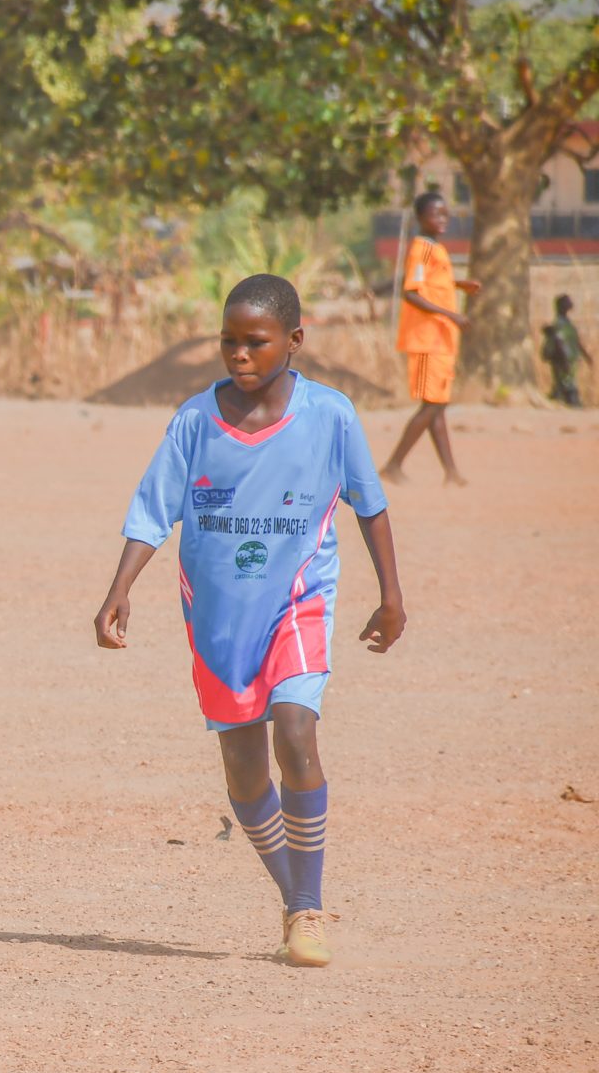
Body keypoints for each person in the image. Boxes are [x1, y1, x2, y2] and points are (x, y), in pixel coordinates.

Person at [93, 274, 406, 968]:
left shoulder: (331, 416)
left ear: (294, 341)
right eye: (229, 341)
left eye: (255, 342)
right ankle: (296, 895)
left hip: (298, 601)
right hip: (218, 618)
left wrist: (392, 593)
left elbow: (369, 502)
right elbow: (153, 511)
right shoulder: (194, 421)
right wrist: (120, 587)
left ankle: (307, 907)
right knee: (243, 772)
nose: (239, 354)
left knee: (295, 731)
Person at [382, 191, 480, 485]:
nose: (442, 220)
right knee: (433, 404)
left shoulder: (434, 247)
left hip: (440, 339)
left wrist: (457, 285)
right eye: (435, 214)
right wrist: (451, 314)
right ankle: (393, 464)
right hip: (426, 338)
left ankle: (450, 472)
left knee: (437, 403)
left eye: (445, 215)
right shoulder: (421, 248)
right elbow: (411, 292)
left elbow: (430, 283)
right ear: (421, 218)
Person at [542, 294, 588, 408]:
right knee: (567, 384)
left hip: (570, 358)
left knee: (564, 383)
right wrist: (564, 359)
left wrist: (586, 355)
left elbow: (574, 340)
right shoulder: (559, 323)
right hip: (563, 359)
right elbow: (559, 342)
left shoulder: (567, 323)